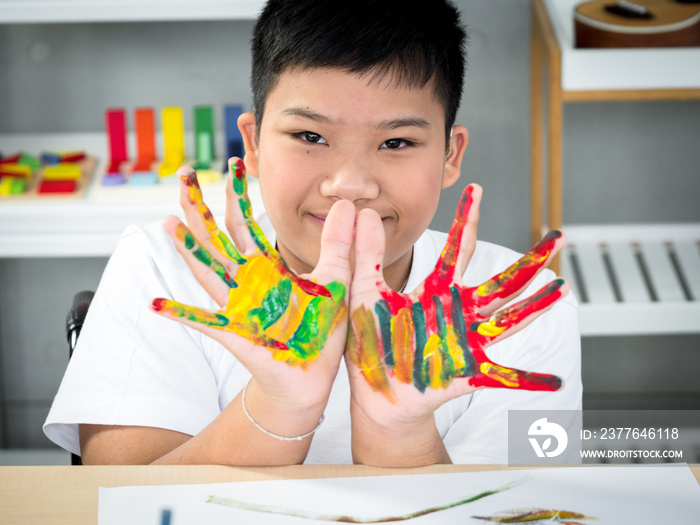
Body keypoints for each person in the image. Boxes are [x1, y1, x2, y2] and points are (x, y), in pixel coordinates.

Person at [44, 0, 581, 466]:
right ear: (252, 146)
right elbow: (117, 499)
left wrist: (399, 434)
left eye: (396, 143)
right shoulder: (164, 267)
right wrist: (276, 408)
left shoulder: (516, 308)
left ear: (450, 154)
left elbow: (525, 508)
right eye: (309, 135)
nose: (349, 185)